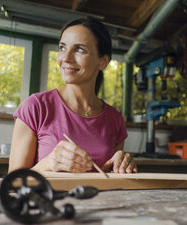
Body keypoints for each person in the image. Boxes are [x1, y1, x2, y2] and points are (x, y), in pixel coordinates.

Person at [9, 17, 137, 174]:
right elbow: (12, 185)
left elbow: (109, 179)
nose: (66, 58)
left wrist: (123, 166)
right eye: (62, 48)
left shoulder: (115, 120)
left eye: (79, 50)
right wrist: (47, 164)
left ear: (102, 62)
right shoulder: (35, 107)